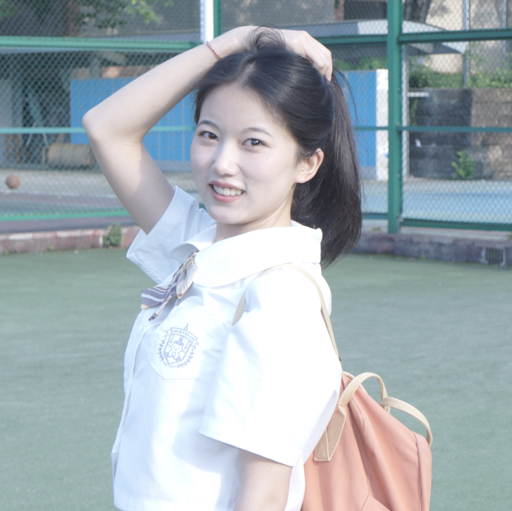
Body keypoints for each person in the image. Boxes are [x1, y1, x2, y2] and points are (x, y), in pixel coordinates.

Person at [83, 25, 361, 511]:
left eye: (253, 143)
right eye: (209, 135)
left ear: (308, 163)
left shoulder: (279, 299)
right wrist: (236, 41)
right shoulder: (199, 247)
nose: (222, 163)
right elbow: (107, 128)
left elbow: (263, 497)